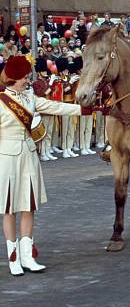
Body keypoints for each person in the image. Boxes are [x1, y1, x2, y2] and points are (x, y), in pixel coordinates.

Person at [0, 56, 82, 276]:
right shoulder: (1, 101)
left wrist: (83, 109)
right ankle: (13, 258)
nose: (29, 79)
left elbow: (55, 106)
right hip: (6, 159)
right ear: (16, 77)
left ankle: (27, 256)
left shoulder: (30, 98)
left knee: (29, 206)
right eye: (26, 76)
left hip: (29, 156)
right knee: (9, 209)